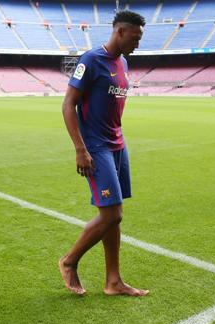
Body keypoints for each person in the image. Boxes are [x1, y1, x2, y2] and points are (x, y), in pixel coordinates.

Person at [59, 10, 148, 297]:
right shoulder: (91, 60)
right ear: (120, 32)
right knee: (112, 214)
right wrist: (80, 149)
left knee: (115, 216)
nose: (137, 44)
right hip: (96, 148)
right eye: (135, 38)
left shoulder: (123, 61)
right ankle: (69, 261)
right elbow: (68, 104)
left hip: (118, 145)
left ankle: (113, 281)